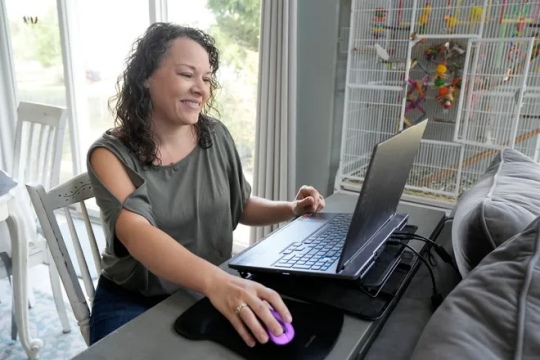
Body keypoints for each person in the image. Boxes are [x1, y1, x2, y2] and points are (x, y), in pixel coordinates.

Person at [87, 22, 325, 347]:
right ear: (145, 77)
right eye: (187, 74)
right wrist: (218, 283)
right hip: (135, 300)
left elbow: (239, 205)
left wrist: (292, 208)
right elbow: (137, 233)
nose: (201, 88)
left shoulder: (215, 135)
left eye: (207, 78)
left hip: (202, 290)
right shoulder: (108, 154)